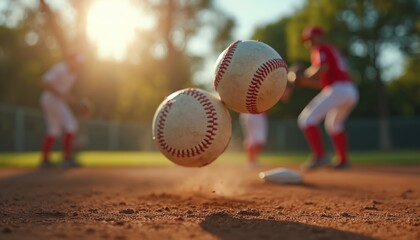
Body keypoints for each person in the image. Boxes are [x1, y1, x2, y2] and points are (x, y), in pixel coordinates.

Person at [295, 26, 359, 170]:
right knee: (334, 125)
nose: (308, 43)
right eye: (306, 40)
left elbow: (322, 68)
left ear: (318, 37)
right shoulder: (330, 49)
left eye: (310, 39)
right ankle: (343, 160)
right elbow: (323, 84)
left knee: (306, 119)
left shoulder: (321, 48)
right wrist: (304, 81)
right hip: (350, 91)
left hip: (339, 90)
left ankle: (320, 156)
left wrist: (303, 75)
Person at [39, 53, 85, 168]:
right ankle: (67, 159)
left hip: (56, 100)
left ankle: (45, 160)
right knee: (71, 124)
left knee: (54, 130)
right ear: (69, 60)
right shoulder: (60, 69)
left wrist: (76, 102)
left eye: (80, 63)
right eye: (76, 61)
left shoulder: (73, 75)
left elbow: (64, 94)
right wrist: (60, 95)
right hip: (50, 98)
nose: (78, 64)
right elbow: (45, 83)